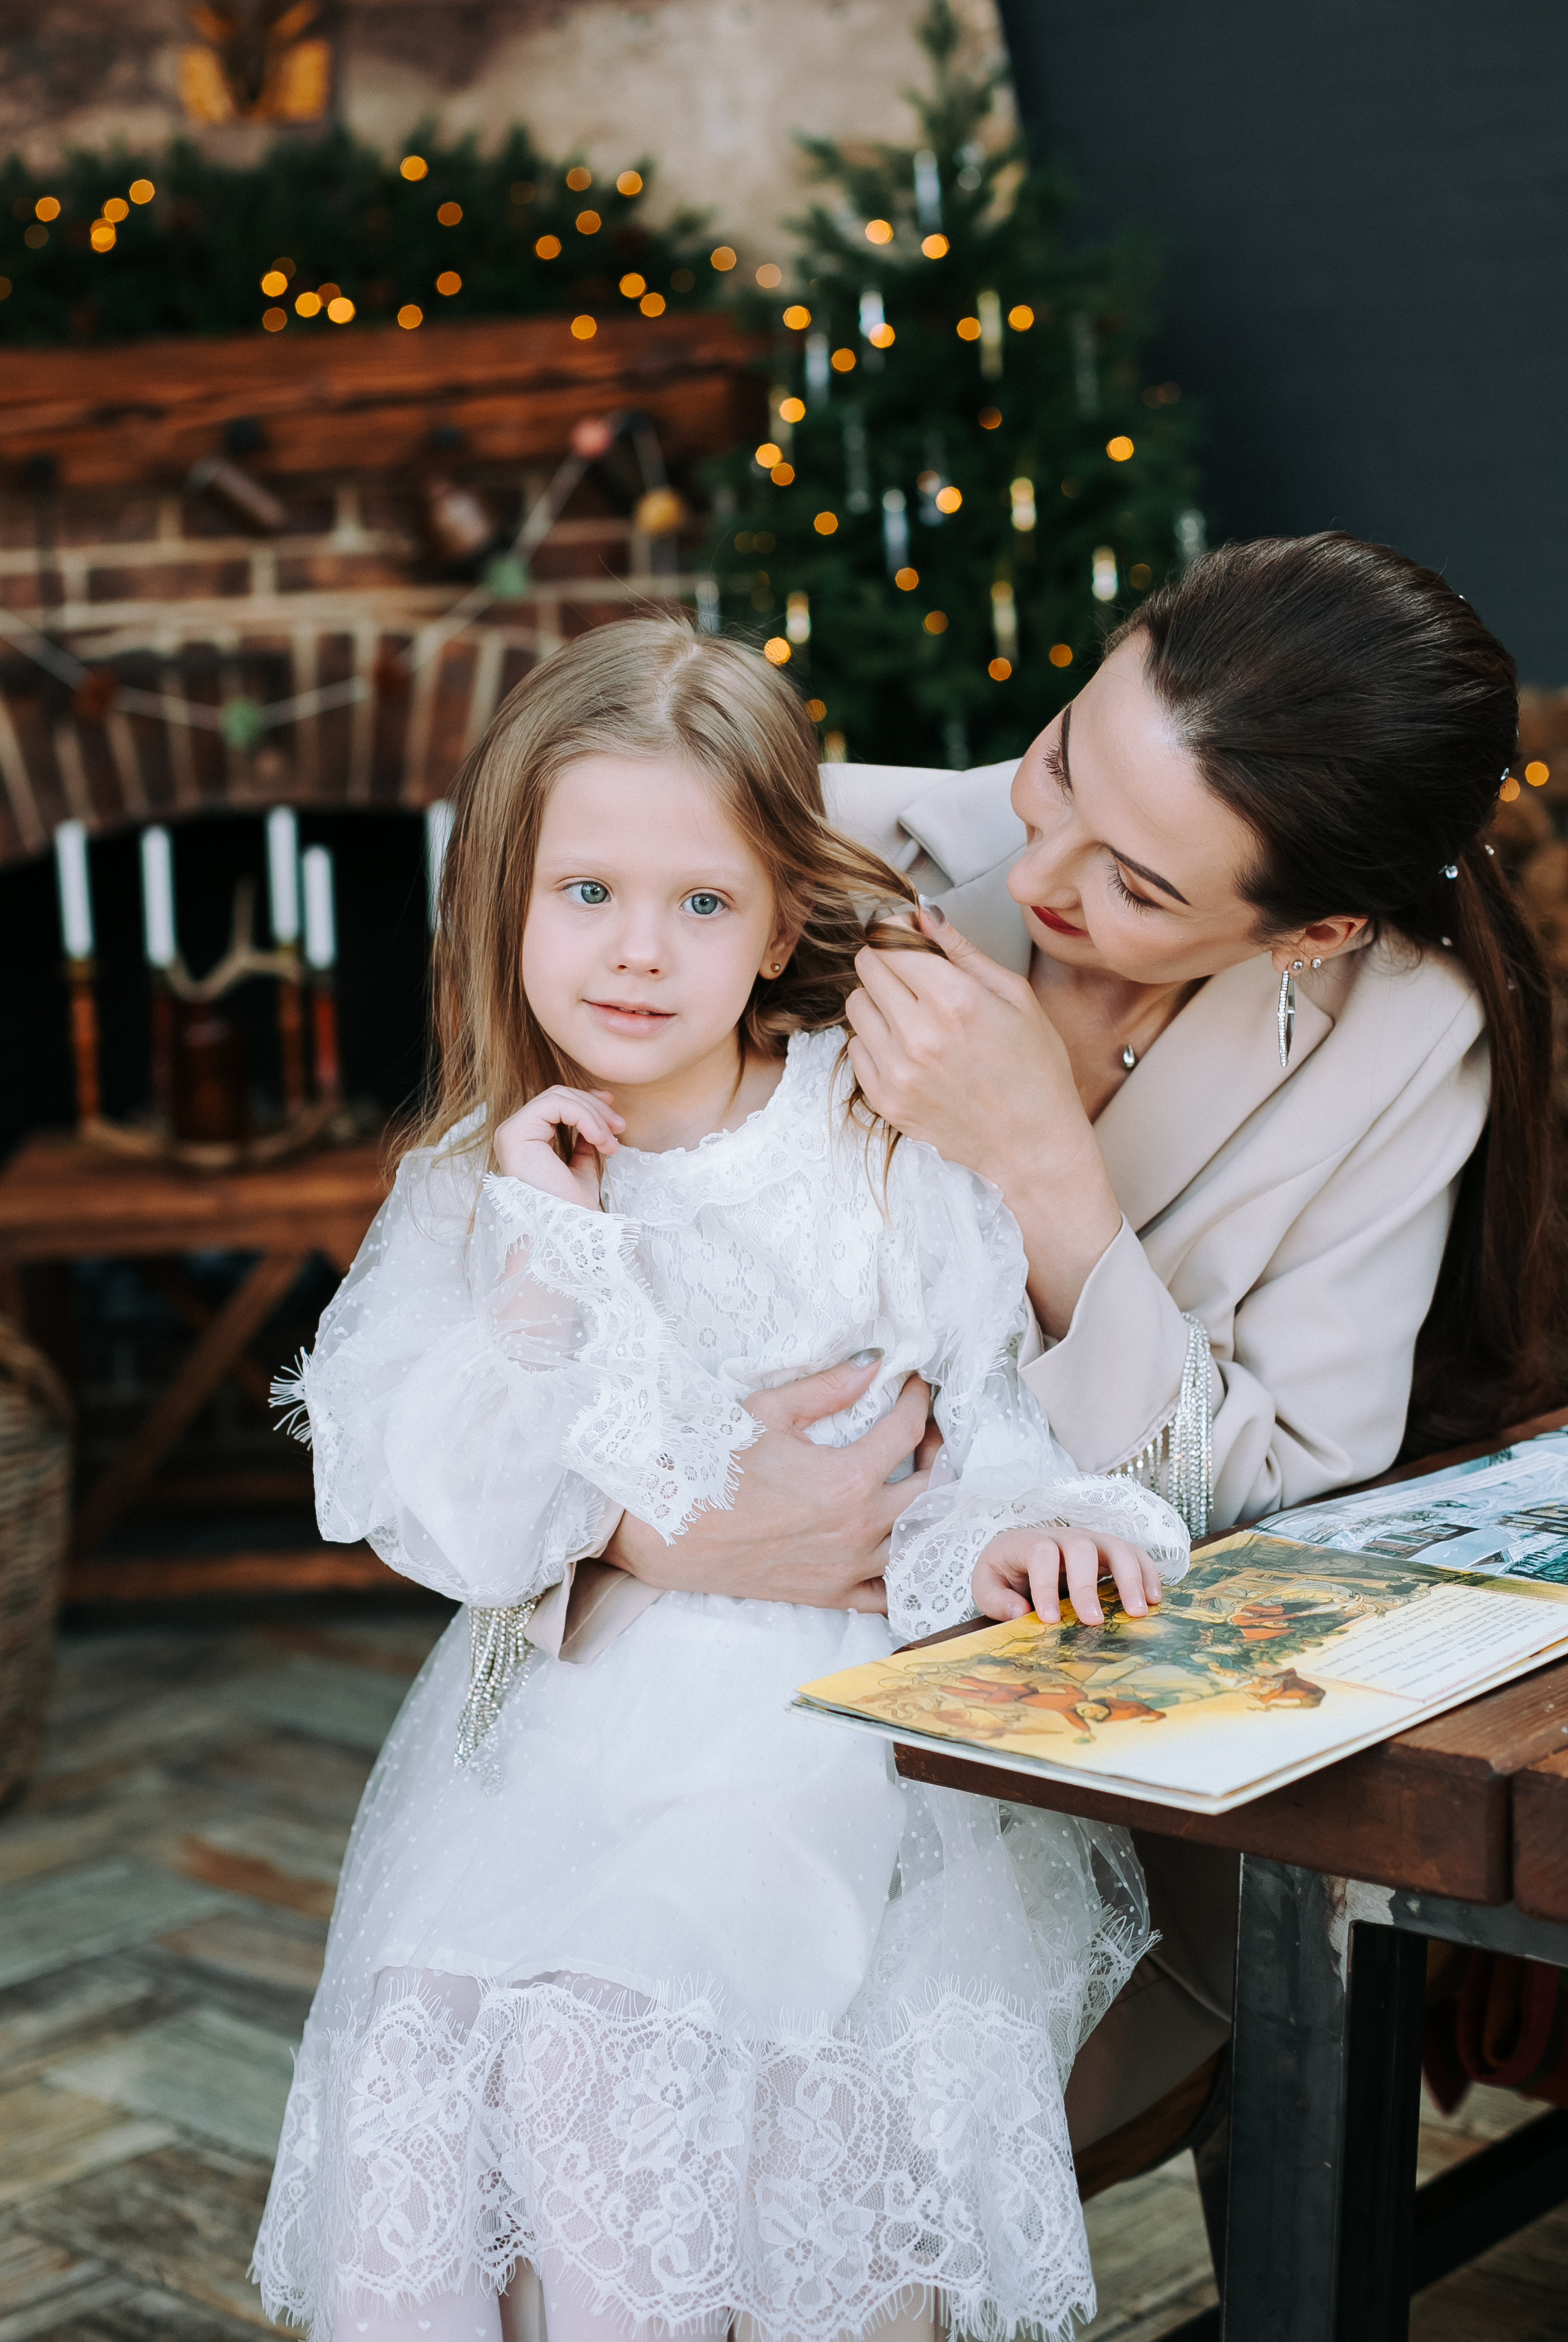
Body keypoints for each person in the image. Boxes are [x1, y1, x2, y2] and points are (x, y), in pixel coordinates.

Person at [250, 620, 1191, 2342]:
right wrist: (545, 1260)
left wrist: (1016, 1540)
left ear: (775, 923)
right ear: (506, 904)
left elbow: (981, 1429)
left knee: (623, 2025)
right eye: (585, 892)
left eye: (699, 900)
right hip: (560, 1735)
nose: (636, 949)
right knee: (454, 2028)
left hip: (821, 1739)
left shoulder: (867, 1141)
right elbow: (468, 1526)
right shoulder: (477, 1183)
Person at [592, 534, 1560, 2150]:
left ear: (1311, 932)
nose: (1043, 870)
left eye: (1140, 886)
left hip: (1093, 1794)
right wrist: (665, 1529)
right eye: (1058, 764)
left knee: (804, 2143)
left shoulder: (1400, 1037)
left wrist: (1049, 1172)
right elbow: (497, 1290)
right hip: (685, 1716)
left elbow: (1282, 1496)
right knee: (604, 2089)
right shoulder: (803, 854)